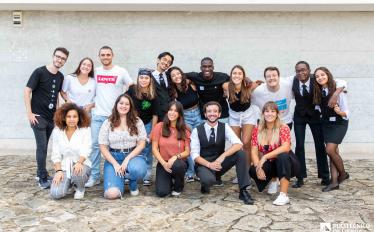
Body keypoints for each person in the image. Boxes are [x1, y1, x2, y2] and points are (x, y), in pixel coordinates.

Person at [292, 62, 347, 188]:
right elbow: (278, 82)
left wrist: (335, 94)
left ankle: (325, 177)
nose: (301, 73)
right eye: (298, 71)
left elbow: (342, 82)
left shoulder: (316, 79)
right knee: (299, 146)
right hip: (299, 116)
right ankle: (300, 177)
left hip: (315, 116)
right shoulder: (293, 80)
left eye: (303, 70)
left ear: (309, 70)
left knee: (320, 145)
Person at [86, 46, 134, 188]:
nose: (105, 57)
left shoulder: (121, 71)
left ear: (112, 55)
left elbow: (131, 86)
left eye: (108, 54)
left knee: (120, 144)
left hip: (116, 117)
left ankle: (125, 172)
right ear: (99, 56)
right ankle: (95, 176)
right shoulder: (95, 72)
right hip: (98, 115)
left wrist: (124, 104)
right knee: (95, 146)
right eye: (103, 55)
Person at [190, 101, 254, 205]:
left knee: (240, 154)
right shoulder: (197, 130)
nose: (212, 114)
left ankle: (243, 191)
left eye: (215, 111)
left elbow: (238, 144)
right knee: (209, 180)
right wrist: (209, 164)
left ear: (219, 114)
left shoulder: (225, 127)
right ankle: (205, 182)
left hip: (220, 163)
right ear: (205, 114)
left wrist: (222, 156)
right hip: (204, 164)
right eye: (209, 111)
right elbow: (195, 155)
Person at [24, 47, 69, 189]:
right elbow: (27, 91)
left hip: (51, 118)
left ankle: (40, 173)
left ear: (65, 61)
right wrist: (30, 113)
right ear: (53, 56)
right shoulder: (39, 72)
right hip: (38, 117)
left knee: (45, 146)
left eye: (63, 59)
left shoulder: (60, 76)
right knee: (42, 147)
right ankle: (42, 177)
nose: (59, 60)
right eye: (58, 57)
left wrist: (58, 113)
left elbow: (57, 95)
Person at [249, 101, 300, 206]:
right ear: (263, 114)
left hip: (288, 162)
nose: (269, 114)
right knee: (252, 169)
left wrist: (264, 157)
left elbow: (286, 147)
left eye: (273, 111)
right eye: (267, 111)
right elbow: (253, 151)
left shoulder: (283, 127)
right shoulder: (257, 129)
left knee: (282, 156)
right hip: (272, 162)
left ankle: (283, 195)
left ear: (277, 114)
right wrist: (258, 167)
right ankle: (273, 179)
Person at [98, 94, 147, 199]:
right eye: (121, 103)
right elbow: (103, 147)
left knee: (137, 170)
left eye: (127, 104)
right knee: (111, 194)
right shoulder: (108, 123)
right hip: (114, 157)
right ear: (116, 105)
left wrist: (127, 159)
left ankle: (132, 181)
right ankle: (120, 179)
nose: (123, 106)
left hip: (133, 156)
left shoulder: (137, 121)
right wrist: (115, 164)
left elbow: (141, 144)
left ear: (130, 107)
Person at [313, 67, 349, 192]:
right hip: (326, 124)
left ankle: (343, 174)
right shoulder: (318, 91)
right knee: (333, 152)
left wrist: (340, 112)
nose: (320, 78)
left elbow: (347, 113)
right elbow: (319, 107)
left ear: (328, 74)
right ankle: (334, 182)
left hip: (339, 123)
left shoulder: (338, 91)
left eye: (322, 75)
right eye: (317, 76)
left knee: (329, 150)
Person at [50, 103, 92, 199]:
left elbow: (86, 149)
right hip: (65, 166)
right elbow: (55, 153)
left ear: (79, 118)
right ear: (64, 117)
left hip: (82, 164)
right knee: (55, 194)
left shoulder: (85, 130)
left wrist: (79, 162)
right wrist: (59, 171)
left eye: (74, 116)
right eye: (68, 116)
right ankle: (69, 183)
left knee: (77, 172)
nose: (72, 119)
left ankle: (80, 188)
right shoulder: (57, 132)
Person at [168, 66, 202, 182]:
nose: (176, 77)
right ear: (170, 79)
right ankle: (191, 172)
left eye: (178, 74)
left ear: (182, 74)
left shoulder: (191, 84)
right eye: (173, 75)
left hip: (198, 114)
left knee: (200, 143)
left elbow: (196, 74)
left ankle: (200, 171)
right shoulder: (173, 92)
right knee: (190, 144)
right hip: (186, 117)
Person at [151, 101, 191, 197]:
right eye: (170, 110)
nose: (172, 113)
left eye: (175, 111)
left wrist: (175, 157)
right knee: (162, 192)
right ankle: (170, 180)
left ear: (180, 114)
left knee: (178, 166)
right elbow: (154, 148)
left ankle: (178, 186)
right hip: (163, 162)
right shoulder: (159, 126)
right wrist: (164, 163)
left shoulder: (184, 129)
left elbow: (187, 152)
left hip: (179, 162)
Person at [126, 69, 158, 186]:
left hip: (147, 124)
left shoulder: (153, 94)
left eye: (146, 78)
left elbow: (155, 114)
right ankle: (128, 173)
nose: (143, 80)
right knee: (131, 147)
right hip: (132, 124)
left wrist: (152, 131)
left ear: (150, 80)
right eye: (141, 78)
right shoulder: (132, 90)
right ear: (138, 78)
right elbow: (124, 104)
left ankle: (146, 175)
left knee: (146, 149)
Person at [222, 65, 260, 165]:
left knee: (246, 143)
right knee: (237, 144)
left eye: (240, 73)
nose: (237, 76)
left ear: (243, 76)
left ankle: (247, 169)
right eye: (234, 73)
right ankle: (240, 170)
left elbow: (262, 87)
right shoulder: (226, 86)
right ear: (231, 75)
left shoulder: (249, 85)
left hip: (248, 116)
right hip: (234, 117)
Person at [186, 57, 230, 122]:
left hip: (222, 114)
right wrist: (188, 82)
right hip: (205, 115)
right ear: (201, 68)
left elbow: (236, 79)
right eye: (204, 66)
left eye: (209, 66)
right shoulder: (195, 76)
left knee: (222, 132)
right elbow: (179, 75)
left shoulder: (222, 76)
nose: (207, 69)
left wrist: (246, 79)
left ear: (213, 67)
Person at [151, 52, 174, 121]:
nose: (166, 63)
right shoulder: (149, 77)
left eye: (169, 62)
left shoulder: (169, 76)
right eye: (164, 59)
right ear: (158, 60)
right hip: (156, 114)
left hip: (170, 113)